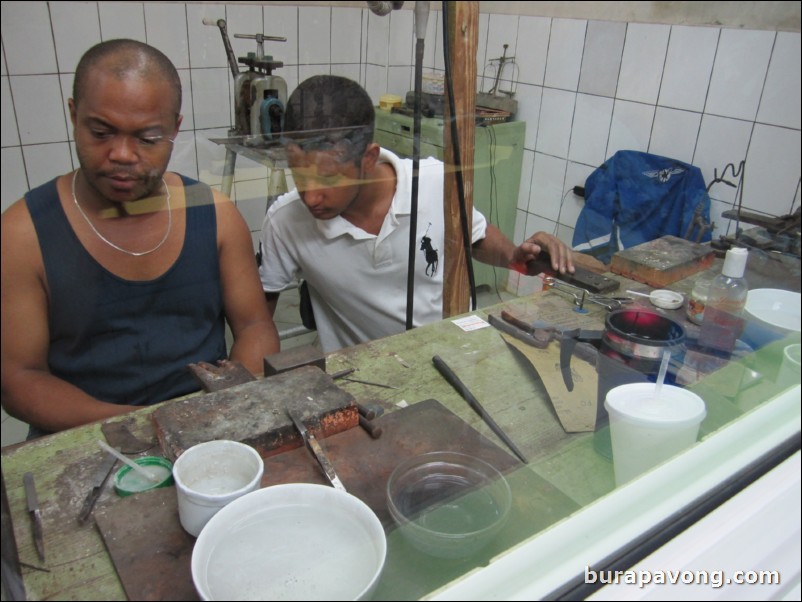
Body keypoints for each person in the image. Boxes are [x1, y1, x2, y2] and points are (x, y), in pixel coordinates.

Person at [0, 39, 280, 437]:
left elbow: (255, 326)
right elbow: (18, 380)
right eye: (101, 132)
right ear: (74, 115)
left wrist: (228, 402)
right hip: (84, 435)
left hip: (207, 421)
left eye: (147, 138)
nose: (123, 154)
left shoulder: (213, 213)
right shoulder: (21, 234)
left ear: (174, 129)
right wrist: (143, 426)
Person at [259, 75, 574, 353]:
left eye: (329, 178)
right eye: (299, 176)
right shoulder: (286, 221)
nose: (311, 196)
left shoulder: (434, 182)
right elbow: (258, 319)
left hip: (455, 352)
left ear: (368, 158)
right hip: (368, 377)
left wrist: (517, 257)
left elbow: (475, 236)